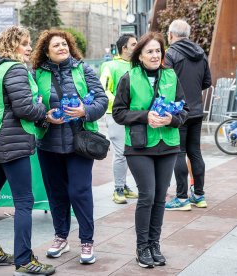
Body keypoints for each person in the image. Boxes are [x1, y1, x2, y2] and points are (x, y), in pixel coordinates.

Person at [0, 26, 55, 276]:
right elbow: (24, 110)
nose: (29, 48)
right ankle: (24, 259)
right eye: (24, 43)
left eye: (29, 43)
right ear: (11, 46)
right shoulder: (15, 68)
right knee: (24, 202)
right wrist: (43, 111)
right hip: (14, 143)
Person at [31, 29, 108, 264]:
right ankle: (61, 237)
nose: (62, 48)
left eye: (64, 44)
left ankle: (87, 241)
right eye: (56, 45)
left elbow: (102, 99)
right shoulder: (36, 75)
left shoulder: (82, 69)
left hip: (80, 142)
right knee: (56, 193)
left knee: (79, 191)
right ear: (46, 51)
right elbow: (31, 107)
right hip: (49, 143)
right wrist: (45, 116)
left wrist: (86, 111)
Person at [113, 32, 188, 268]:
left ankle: (155, 244)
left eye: (158, 51)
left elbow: (184, 111)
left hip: (168, 144)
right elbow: (118, 113)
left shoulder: (171, 75)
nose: (155, 55)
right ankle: (142, 247)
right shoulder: (129, 77)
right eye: (150, 51)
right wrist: (146, 116)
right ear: (140, 56)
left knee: (160, 197)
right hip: (139, 146)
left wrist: (171, 120)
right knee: (147, 195)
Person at [164, 19, 212, 211]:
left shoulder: (171, 54)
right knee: (195, 153)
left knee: (179, 152)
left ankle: (182, 197)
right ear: (188, 34)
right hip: (197, 111)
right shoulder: (201, 54)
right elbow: (207, 82)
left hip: (178, 112)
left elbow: (165, 83)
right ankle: (199, 195)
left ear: (170, 35)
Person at [100, 34, 139, 204]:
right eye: (134, 44)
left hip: (133, 116)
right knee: (121, 153)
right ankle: (118, 189)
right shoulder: (110, 65)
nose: (137, 46)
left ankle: (123, 186)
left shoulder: (137, 65)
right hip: (115, 115)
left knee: (130, 152)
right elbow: (103, 89)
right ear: (124, 48)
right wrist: (119, 102)